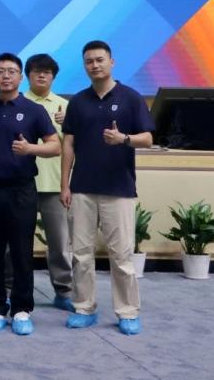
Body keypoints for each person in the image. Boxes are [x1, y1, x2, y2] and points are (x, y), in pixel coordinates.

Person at [61, 40, 153, 336]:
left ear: (111, 62)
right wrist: (64, 184)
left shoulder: (131, 98)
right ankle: (84, 307)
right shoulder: (78, 101)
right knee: (81, 254)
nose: (95, 65)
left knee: (122, 256)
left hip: (119, 188)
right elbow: (68, 144)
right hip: (82, 188)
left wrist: (123, 139)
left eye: (100, 60)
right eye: (89, 61)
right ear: (84, 66)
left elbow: (148, 138)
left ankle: (127, 311)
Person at [0, 53, 60, 336]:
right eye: (0, 71)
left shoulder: (34, 110)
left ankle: (22, 308)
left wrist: (30, 149)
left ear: (20, 77)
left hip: (22, 189)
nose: (6, 76)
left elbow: (55, 146)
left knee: (22, 251)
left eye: (11, 71)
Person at [24, 53, 74, 311]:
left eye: (46, 72)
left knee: (59, 244)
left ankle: (64, 292)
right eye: (36, 71)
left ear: (54, 76)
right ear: (27, 75)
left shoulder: (66, 107)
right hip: (22, 184)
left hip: (54, 185)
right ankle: (12, 290)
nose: (41, 75)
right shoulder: (17, 102)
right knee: (16, 243)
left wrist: (66, 185)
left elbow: (73, 147)